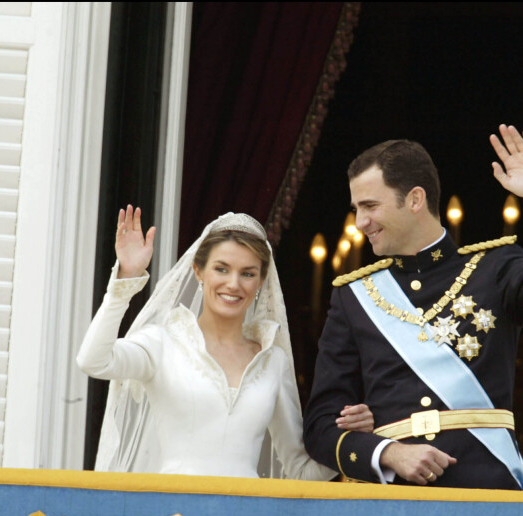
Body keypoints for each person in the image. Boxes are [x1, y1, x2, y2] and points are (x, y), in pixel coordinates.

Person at [303, 124, 523, 490]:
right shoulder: (353, 296)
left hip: (488, 494)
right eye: (356, 209)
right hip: (390, 504)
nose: (360, 223)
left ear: (416, 199)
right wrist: (387, 453)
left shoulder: (498, 269)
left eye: (371, 206)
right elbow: (320, 427)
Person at [78, 208, 373, 479]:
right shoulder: (161, 342)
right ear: (198, 271)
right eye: (221, 269)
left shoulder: (273, 361)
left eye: (247, 273)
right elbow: (94, 361)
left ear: (260, 282)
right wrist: (124, 283)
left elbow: (300, 470)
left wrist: (349, 439)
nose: (234, 283)